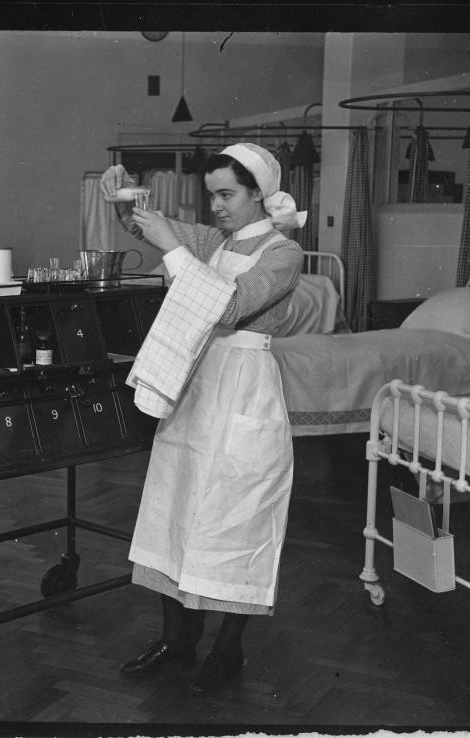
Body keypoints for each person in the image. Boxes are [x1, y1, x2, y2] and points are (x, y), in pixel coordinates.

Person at [99, 142, 305, 695]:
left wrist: (171, 245)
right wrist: (124, 198)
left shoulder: (283, 255)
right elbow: (150, 228)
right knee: (176, 508)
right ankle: (176, 639)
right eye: (210, 194)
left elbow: (231, 306)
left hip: (243, 390)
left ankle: (227, 648)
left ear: (258, 193)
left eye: (227, 194)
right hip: (195, 386)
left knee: (233, 519)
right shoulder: (217, 241)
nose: (215, 206)